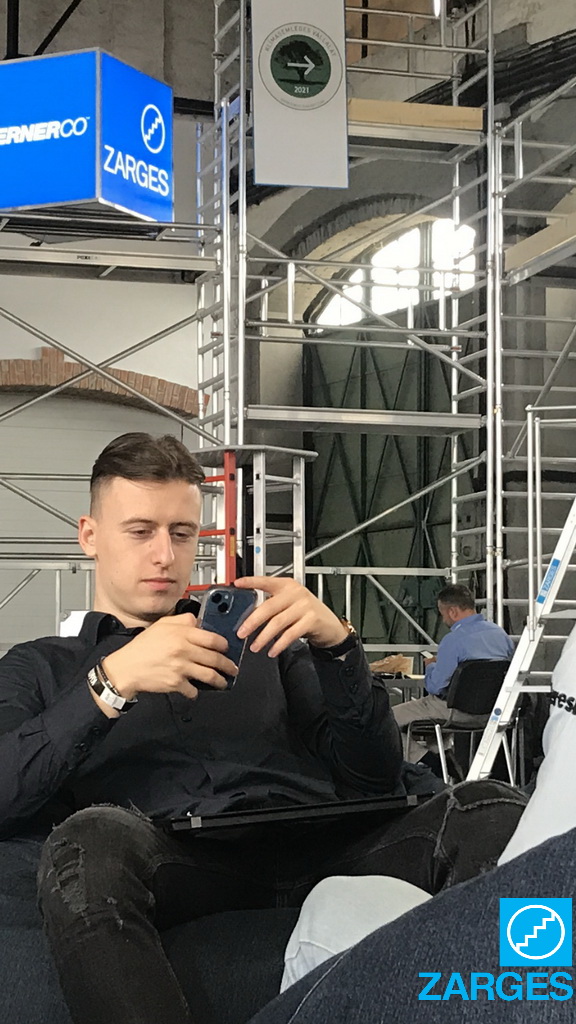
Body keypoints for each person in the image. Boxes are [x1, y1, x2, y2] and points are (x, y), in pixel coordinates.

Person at [0, 433, 526, 1024]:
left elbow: (375, 777)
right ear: (90, 535)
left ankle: (529, 1007)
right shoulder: (42, 666)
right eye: (140, 531)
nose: (164, 555)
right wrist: (112, 681)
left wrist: (338, 648)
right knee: (87, 842)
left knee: (490, 807)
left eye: (182, 533)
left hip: (320, 842)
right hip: (184, 863)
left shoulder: (261, 642)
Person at [393, 584, 515, 762]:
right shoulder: (501, 635)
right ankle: (445, 759)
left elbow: (435, 686)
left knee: (383, 721)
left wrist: (431, 666)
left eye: (442, 614)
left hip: (455, 712)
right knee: (435, 724)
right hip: (494, 712)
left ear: (452, 611)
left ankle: (429, 763)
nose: (443, 620)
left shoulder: (453, 640)